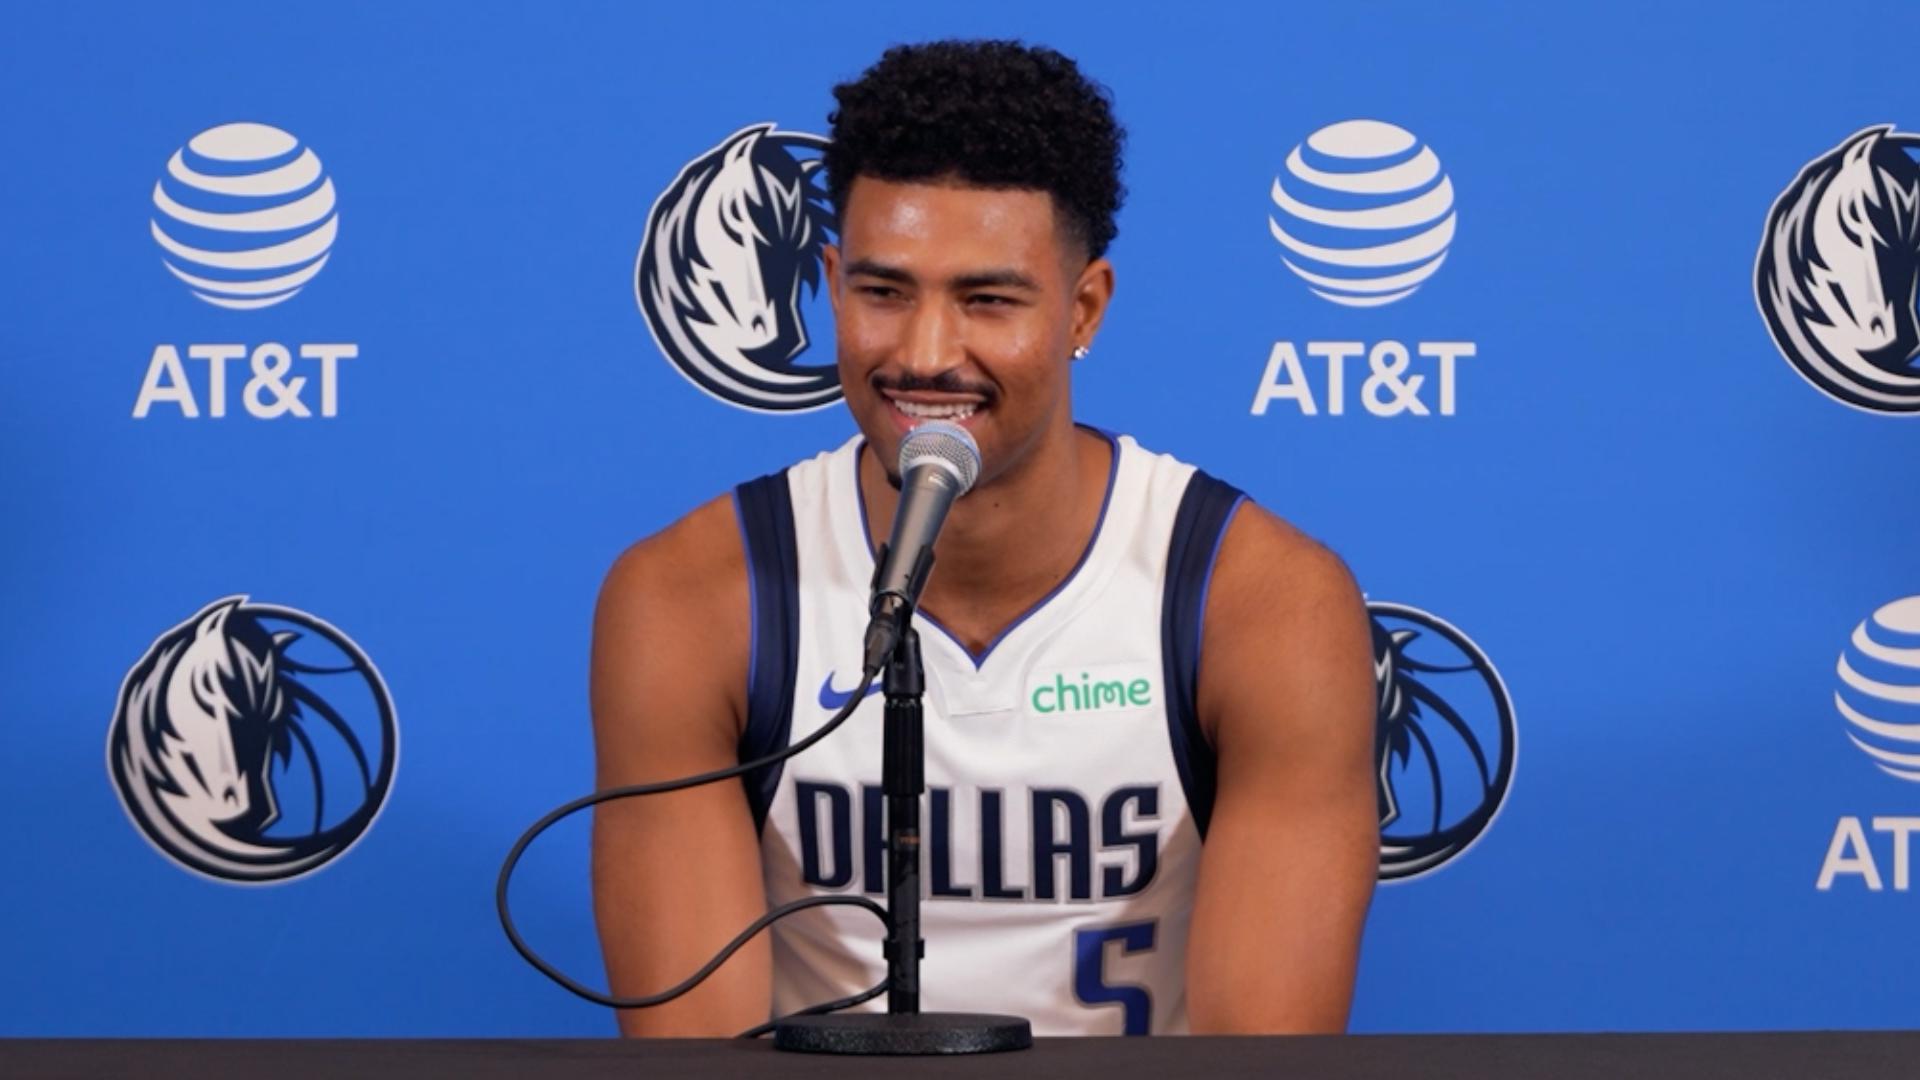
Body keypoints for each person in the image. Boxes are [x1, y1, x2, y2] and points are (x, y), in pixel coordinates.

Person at [590, 39, 1377, 1037]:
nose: (925, 353)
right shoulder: (696, 595)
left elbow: (1259, 1063)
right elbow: (699, 1058)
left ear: (1083, 308)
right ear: (831, 283)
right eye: (883, 293)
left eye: (987, 300)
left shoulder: (1258, 600)